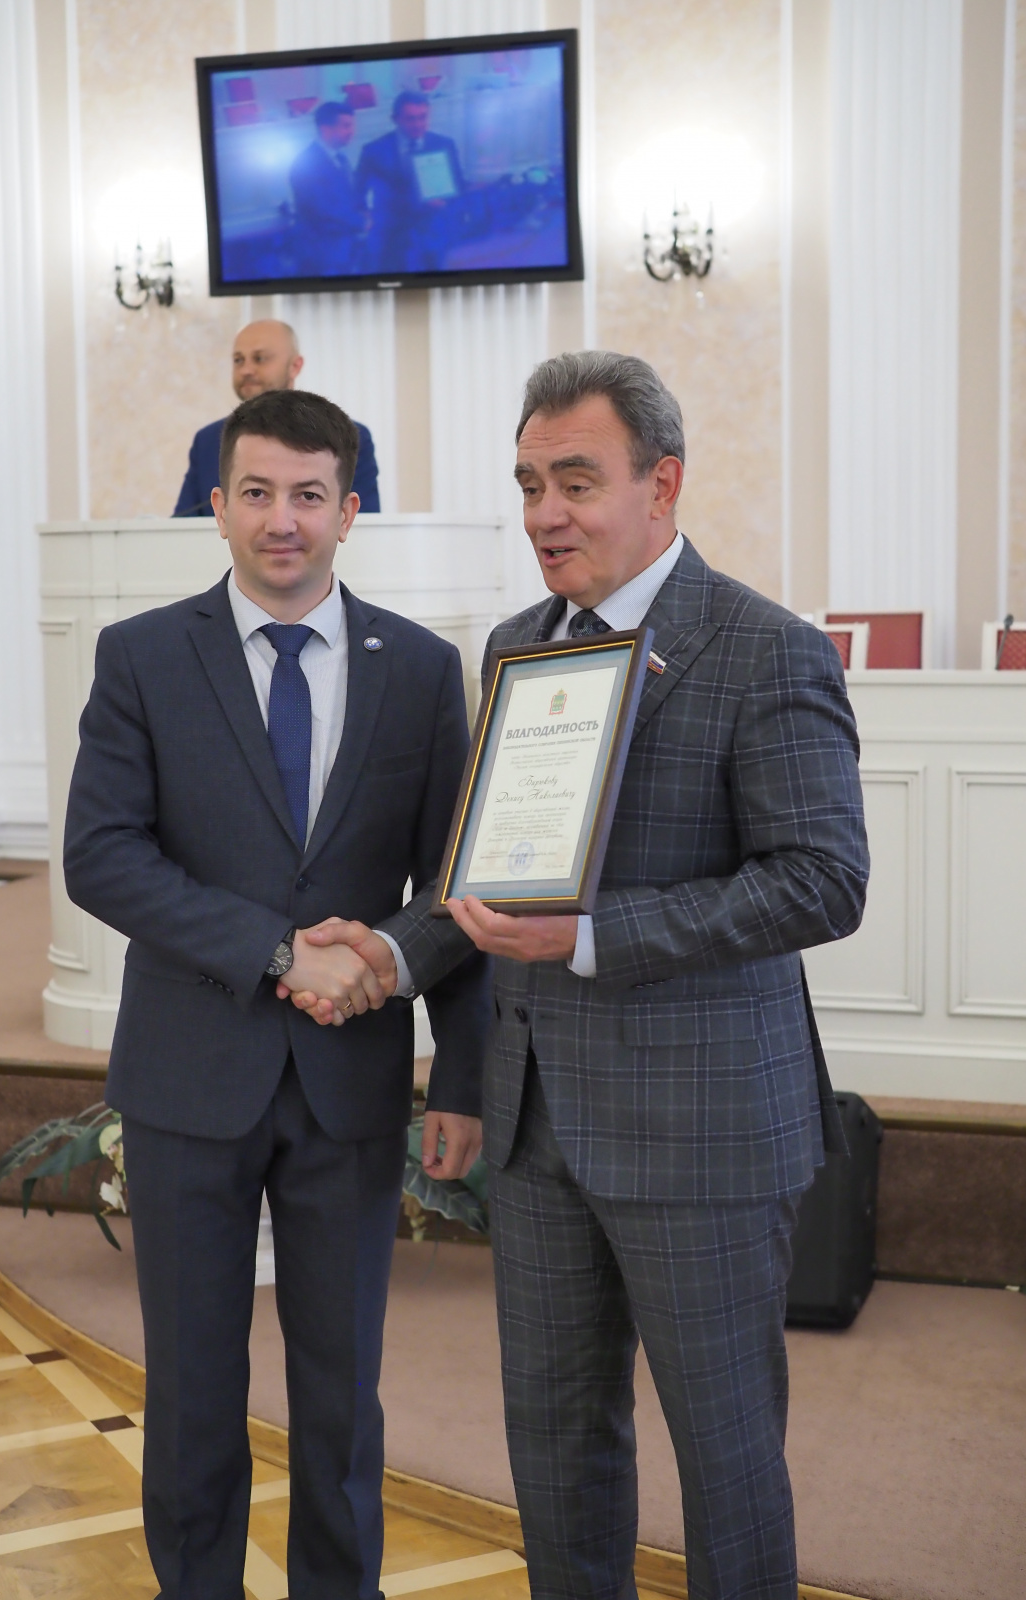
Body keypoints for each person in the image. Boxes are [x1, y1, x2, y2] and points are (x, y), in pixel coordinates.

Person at [314, 351, 869, 1599]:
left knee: (727, 1465)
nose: (545, 514)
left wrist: (595, 934)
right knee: (558, 1454)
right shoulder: (518, 646)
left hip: (703, 1131)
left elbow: (823, 881)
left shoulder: (765, 649)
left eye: (577, 480)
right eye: (529, 484)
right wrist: (392, 952)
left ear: (661, 485)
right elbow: (487, 876)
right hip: (538, 1128)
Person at [65, 387, 486, 1599]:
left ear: (350, 511)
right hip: (189, 1079)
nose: (281, 519)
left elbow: (454, 888)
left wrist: (457, 1074)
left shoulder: (421, 669)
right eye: (256, 492)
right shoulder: (143, 655)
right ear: (218, 506)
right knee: (193, 1391)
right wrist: (278, 951)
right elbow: (103, 855)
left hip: (350, 1084)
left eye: (309, 494)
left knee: (342, 1393)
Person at [174, 319, 380, 515]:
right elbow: (182, 527)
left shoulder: (345, 436)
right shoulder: (208, 440)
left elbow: (364, 525)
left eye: (260, 358)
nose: (246, 370)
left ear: (295, 366)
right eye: (238, 360)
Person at [355, 90, 464, 273]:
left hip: (432, 231)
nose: (418, 124)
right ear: (395, 119)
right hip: (390, 235)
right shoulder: (373, 151)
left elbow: (457, 184)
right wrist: (366, 218)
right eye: (410, 119)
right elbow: (358, 192)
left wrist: (446, 203)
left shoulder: (444, 144)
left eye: (423, 117)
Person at [288, 101, 368, 277]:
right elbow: (323, 209)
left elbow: (348, 197)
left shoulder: (341, 159)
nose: (352, 131)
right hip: (322, 254)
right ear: (325, 129)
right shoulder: (306, 163)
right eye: (346, 126)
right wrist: (362, 222)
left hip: (342, 248)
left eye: (352, 125)